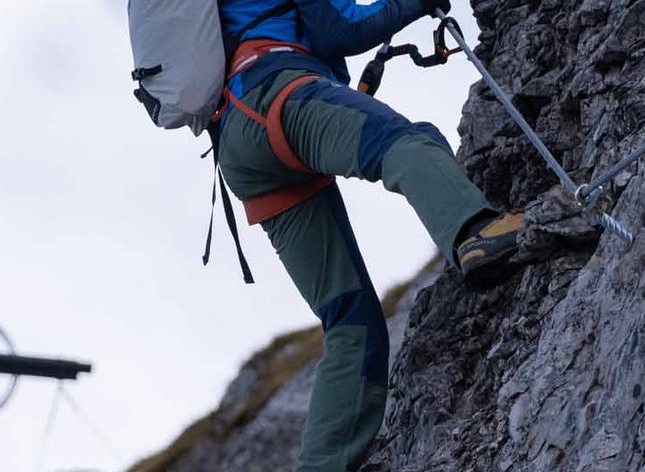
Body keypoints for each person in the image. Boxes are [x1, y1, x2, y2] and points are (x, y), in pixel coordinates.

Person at [212, 0, 524, 469]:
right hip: (280, 93)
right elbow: (341, 28)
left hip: (240, 146)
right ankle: (473, 233)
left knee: (351, 322)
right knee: (406, 142)